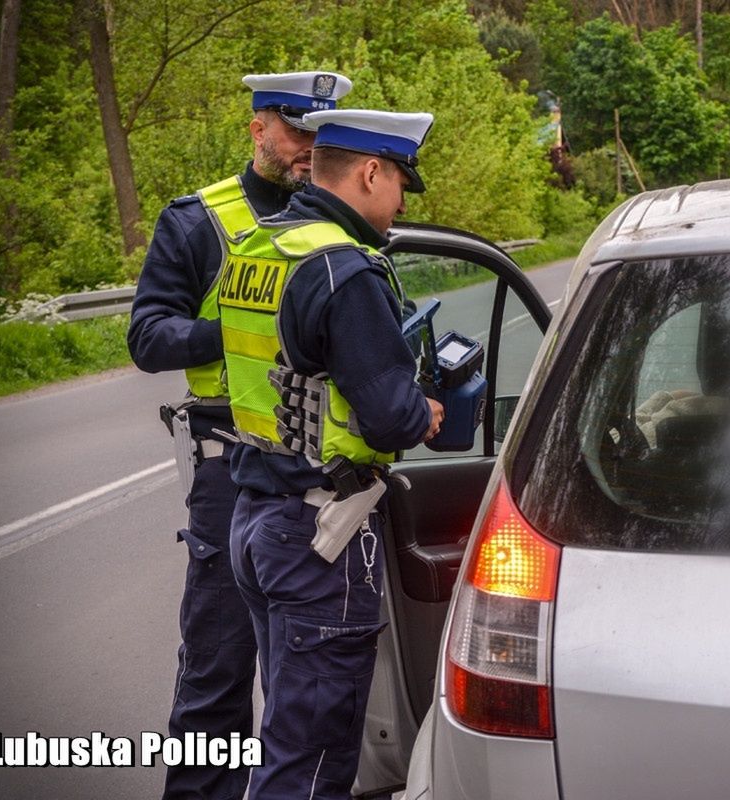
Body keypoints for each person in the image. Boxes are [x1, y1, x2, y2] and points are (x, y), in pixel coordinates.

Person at [127, 71, 352, 800]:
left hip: (332, 474)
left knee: (320, 669)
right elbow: (149, 337)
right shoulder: (198, 222)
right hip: (233, 474)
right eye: (296, 132)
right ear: (257, 128)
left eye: (323, 135)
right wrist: (242, 329)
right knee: (219, 674)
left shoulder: (344, 215)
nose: (309, 149)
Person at [221, 109, 444, 799]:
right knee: (312, 761)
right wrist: (424, 410)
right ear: (371, 171)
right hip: (322, 534)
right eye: (401, 181)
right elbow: (387, 416)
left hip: (256, 517)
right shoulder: (345, 270)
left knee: (286, 739)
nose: (402, 200)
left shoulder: (260, 247)